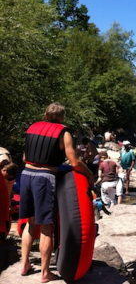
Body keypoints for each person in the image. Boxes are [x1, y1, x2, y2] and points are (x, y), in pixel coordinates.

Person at [20, 102, 94, 283]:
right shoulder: (64, 133)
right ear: (62, 117)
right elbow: (74, 162)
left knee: (30, 223)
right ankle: (45, 273)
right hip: (44, 178)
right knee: (46, 227)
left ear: (45, 114)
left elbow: (24, 157)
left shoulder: (32, 128)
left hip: (26, 175)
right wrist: (90, 175)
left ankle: (24, 265)